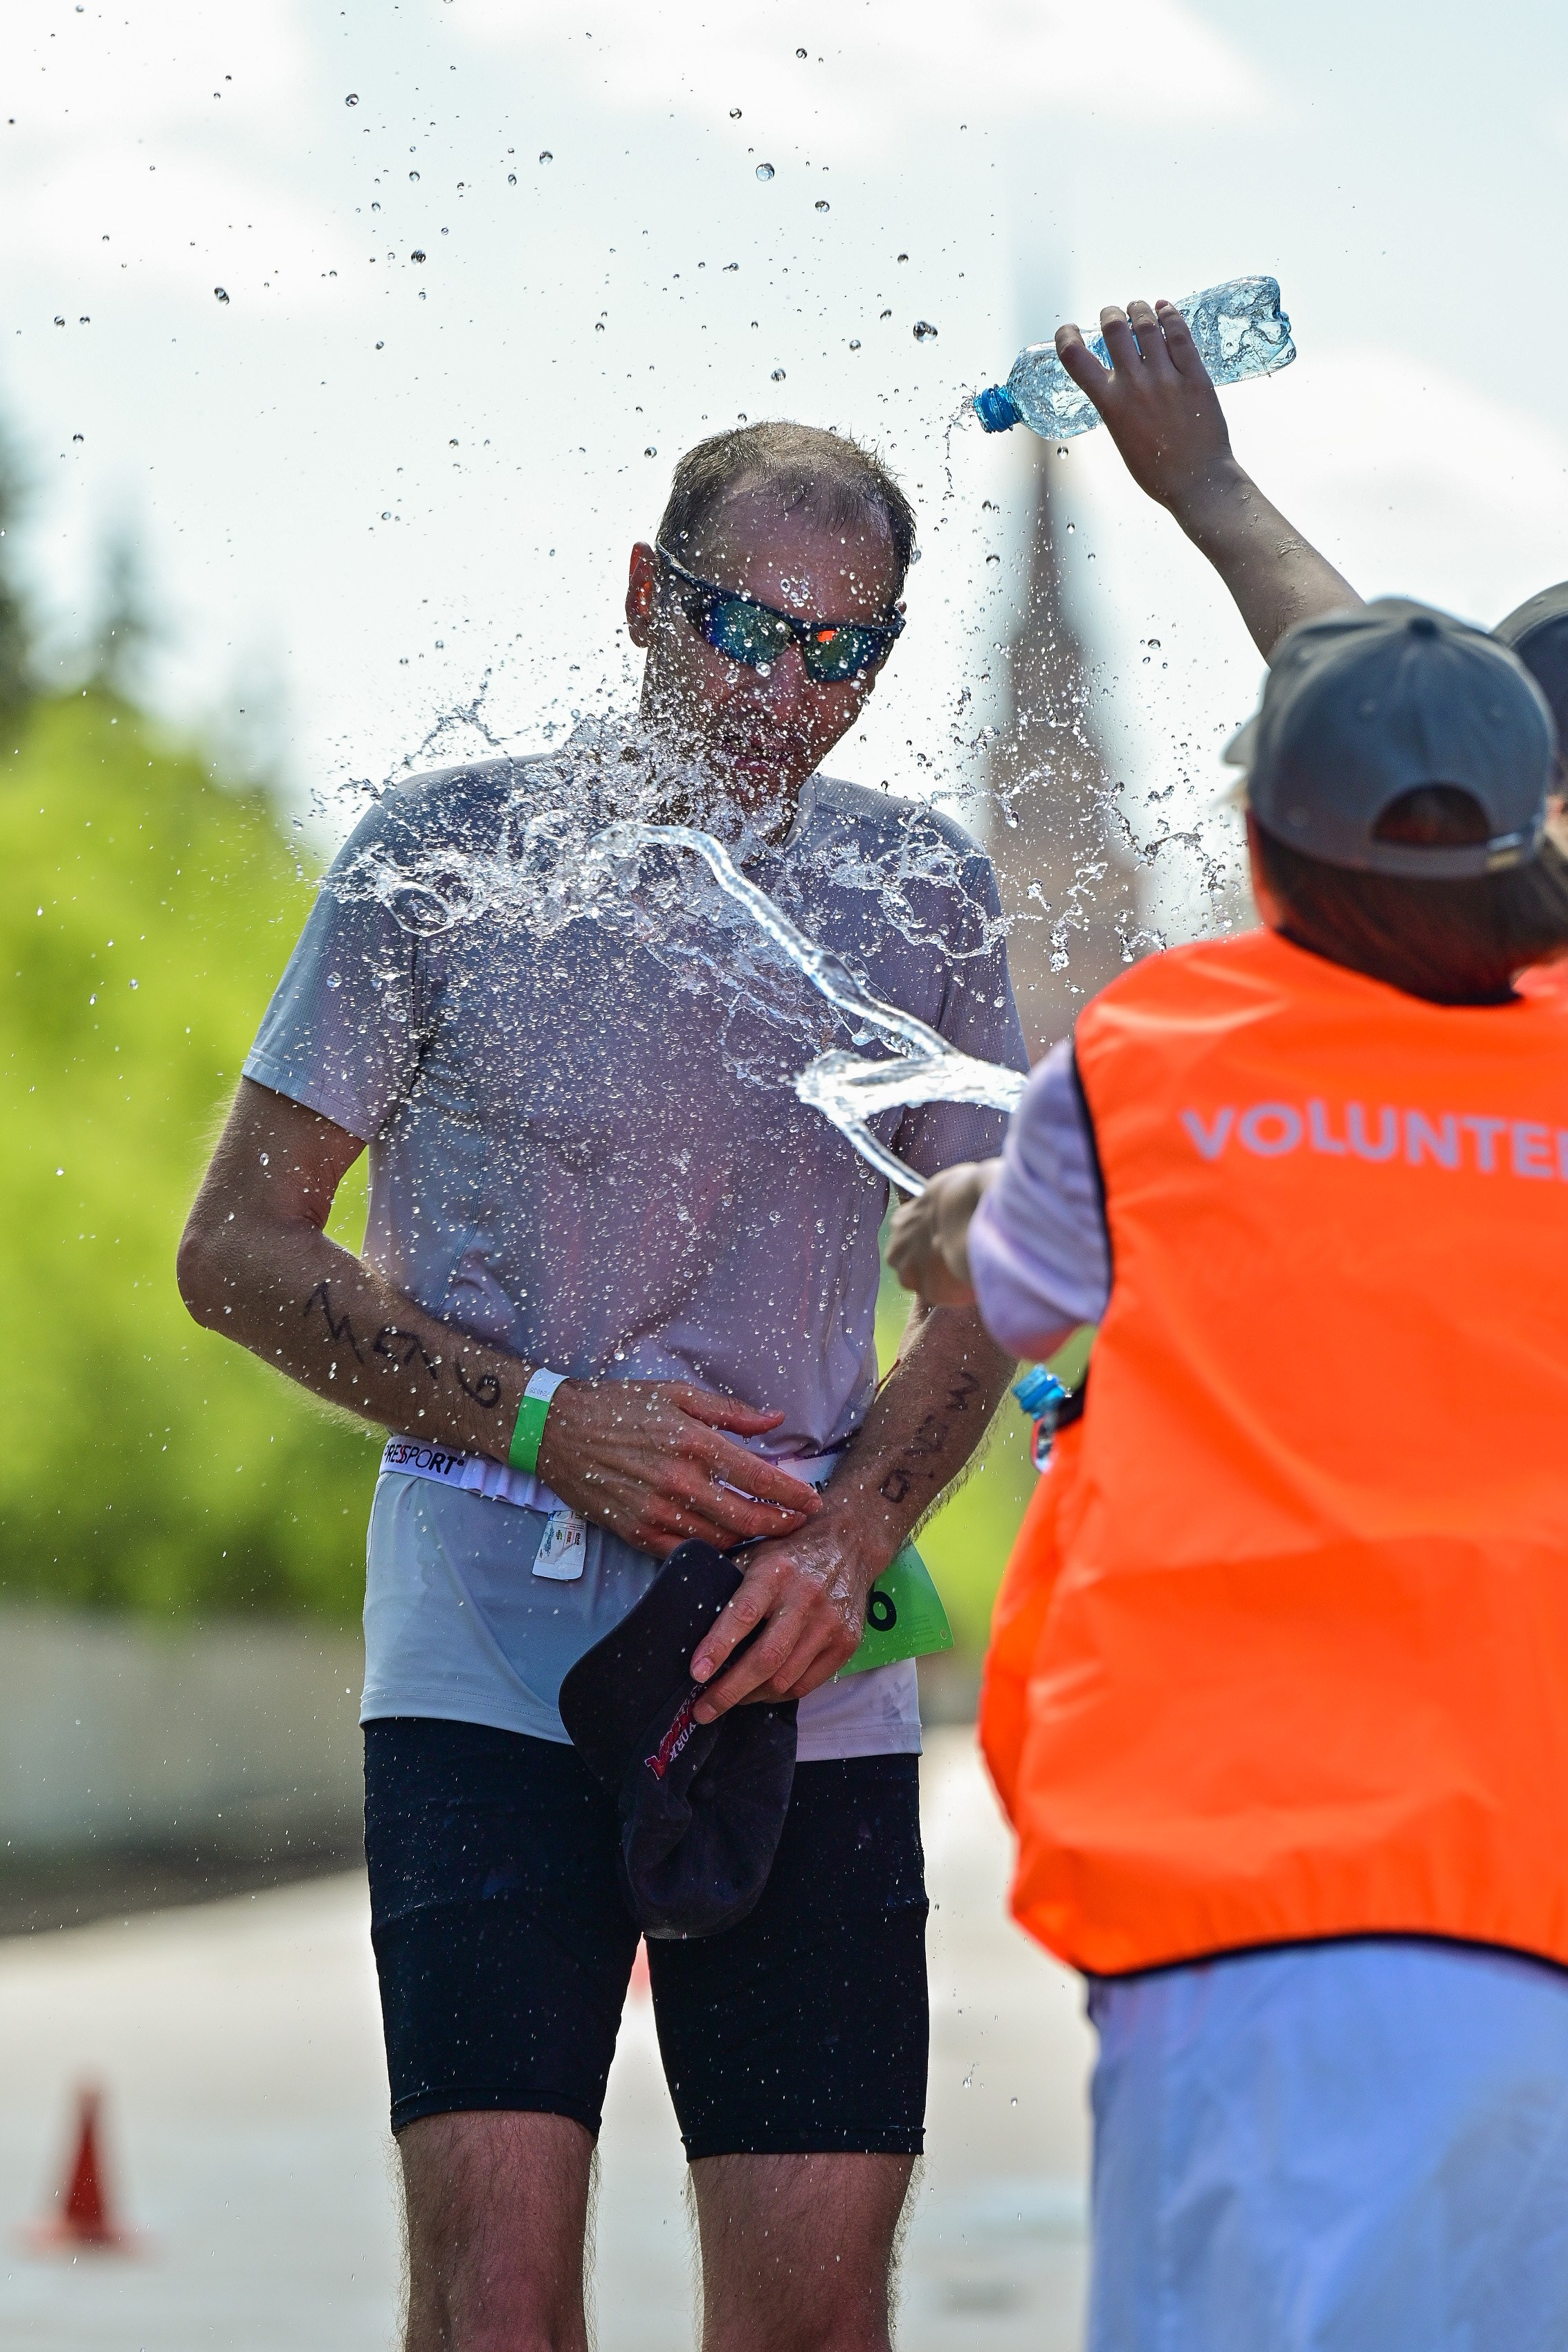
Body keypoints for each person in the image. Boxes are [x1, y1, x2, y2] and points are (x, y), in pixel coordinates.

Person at [177, 420, 1027, 2352]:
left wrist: (854, 1535)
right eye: (745, 627)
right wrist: (550, 1423)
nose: (786, 690)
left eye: (847, 650)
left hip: (802, 1651)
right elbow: (235, 1250)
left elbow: (992, 1292)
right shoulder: (446, 858)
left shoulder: (920, 888)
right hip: (491, 1644)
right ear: (646, 599)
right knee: (494, 2310)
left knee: (811, 2323)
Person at [891, 559, 1568, 2346]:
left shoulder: (1143, 1066)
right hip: (1541, 1925)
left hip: (1237, 1931)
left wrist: (960, 1214)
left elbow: (1014, 1285)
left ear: (1257, 852)